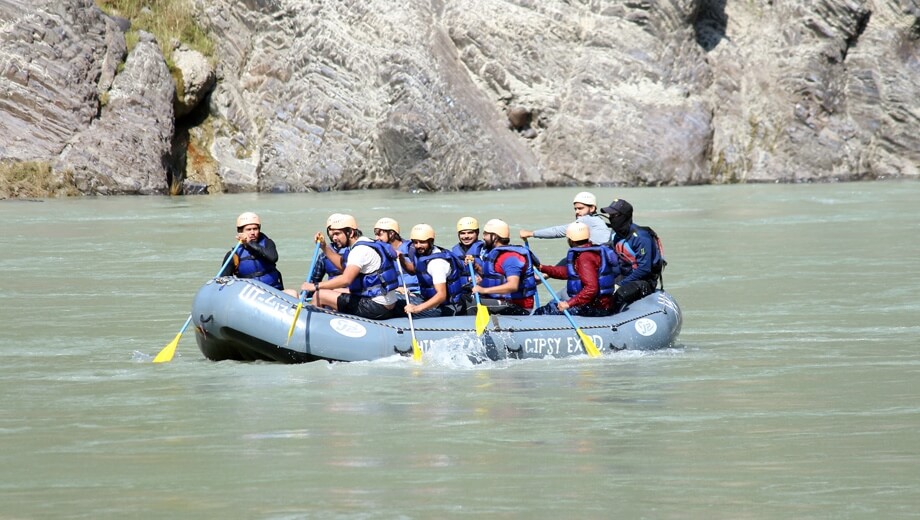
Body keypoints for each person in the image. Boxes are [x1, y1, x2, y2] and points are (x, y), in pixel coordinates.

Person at [299, 214, 403, 320]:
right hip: (386, 302)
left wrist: (315, 286)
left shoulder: (359, 251)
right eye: (332, 235)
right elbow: (344, 268)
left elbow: (346, 280)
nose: (334, 238)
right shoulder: (366, 242)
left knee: (319, 295)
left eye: (337, 234)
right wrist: (324, 247)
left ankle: (316, 329)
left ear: (351, 232)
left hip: (376, 307)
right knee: (337, 290)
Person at [532, 222, 617, 316]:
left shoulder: (585, 257)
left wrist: (569, 303)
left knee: (541, 312)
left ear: (571, 240)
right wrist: (542, 268)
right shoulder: (590, 251)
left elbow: (592, 288)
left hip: (594, 309)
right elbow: (568, 273)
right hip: (596, 305)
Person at [601, 198, 666, 312]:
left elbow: (644, 269)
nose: (611, 219)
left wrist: (620, 285)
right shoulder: (617, 236)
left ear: (624, 216)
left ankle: (610, 318)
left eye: (614, 215)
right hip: (625, 276)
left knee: (620, 294)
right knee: (601, 289)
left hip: (644, 281)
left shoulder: (641, 237)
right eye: (609, 216)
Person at [471, 219, 540, 315]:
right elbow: (495, 275)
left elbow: (513, 286)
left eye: (486, 234)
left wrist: (483, 290)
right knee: (467, 297)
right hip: (503, 301)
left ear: (494, 236)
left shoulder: (510, 258)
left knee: (470, 303)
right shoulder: (498, 253)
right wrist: (476, 267)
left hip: (518, 306)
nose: (483, 237)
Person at [402, 224, 468, 317]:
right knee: (398, 299)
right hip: (429, 300)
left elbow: (441, 296)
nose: (418, 246)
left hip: (445, 308)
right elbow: (413, 271)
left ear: (431, 241)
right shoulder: (425, 253)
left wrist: (416, 309)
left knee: (399, 308)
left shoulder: (437, 263)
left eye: (422, 242)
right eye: (415, 242)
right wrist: (401, 259)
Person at [519, 191, 611, 246]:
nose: (577, 212)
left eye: (580, 208)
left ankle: (545, 274)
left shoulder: (586, 220)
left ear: (592, 208)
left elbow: (558, 231)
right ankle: (546, 274)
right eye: (575, 209)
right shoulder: (598, 220)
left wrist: (531, 233)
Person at [219, 211, 284, 290]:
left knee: (292, 293)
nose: (252, 232)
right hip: (249, 295)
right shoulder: (233, 255)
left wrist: (249, 243)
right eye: (248, 229)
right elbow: (223, 280)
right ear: (240, 232)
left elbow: (273, 258)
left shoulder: (268, 243)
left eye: (255, 229)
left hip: (273, 291)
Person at [373, 217, 419, 294]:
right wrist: (397, 289)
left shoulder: (411, 248)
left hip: (415, 293)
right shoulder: (379, 251)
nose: (376, 238)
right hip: (394, 293)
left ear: (391, 233)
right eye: (375, 235)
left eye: (379, 234)